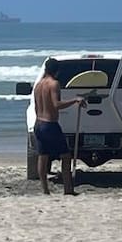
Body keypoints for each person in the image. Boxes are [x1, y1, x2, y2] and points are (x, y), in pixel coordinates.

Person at [31, 58, 86, 196]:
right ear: (56, 71)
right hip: (50, 124)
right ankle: (68, 189)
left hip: (38, 123)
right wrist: (75, 100)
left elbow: (37, 107)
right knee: (66, 156)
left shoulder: (38, 85)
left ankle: (45, 190)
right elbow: (56, 104)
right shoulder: (54, 84)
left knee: (43, 156)